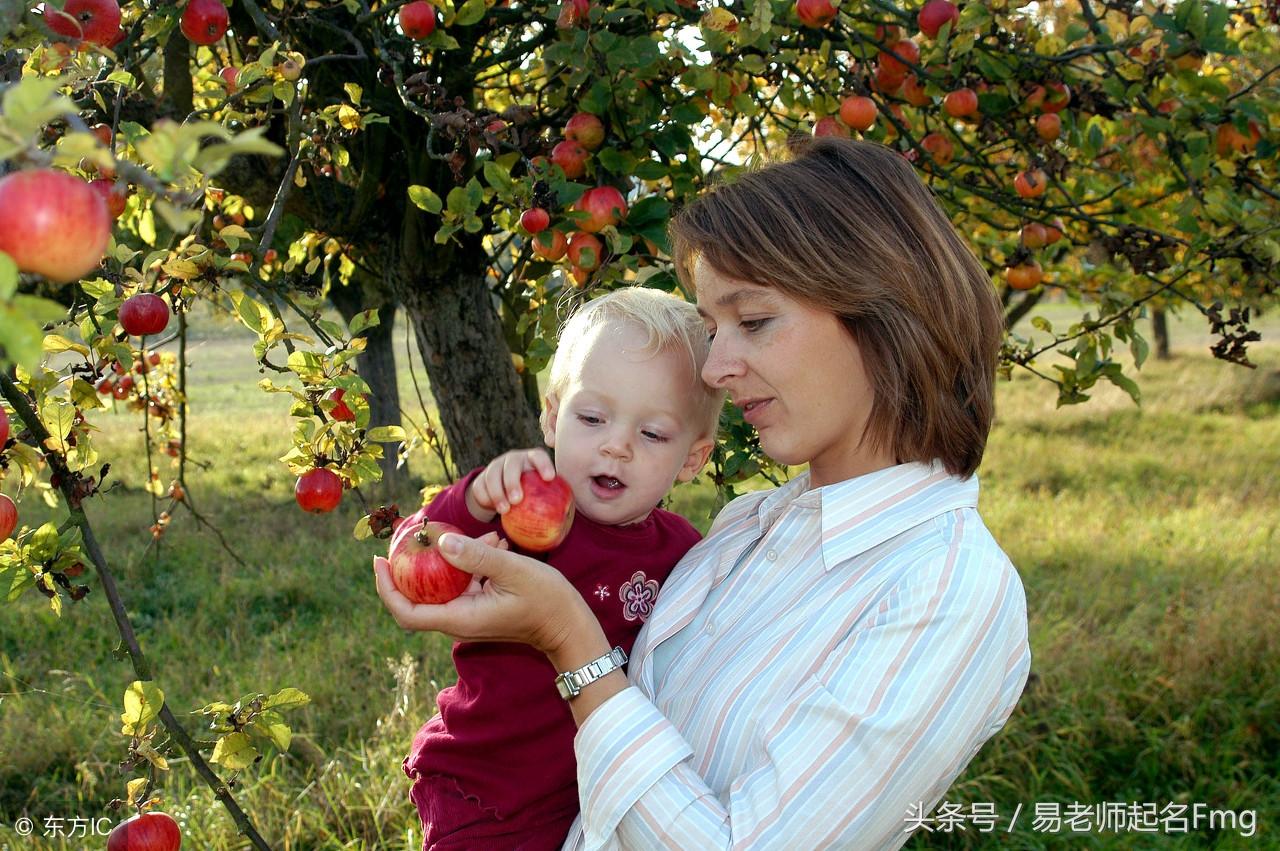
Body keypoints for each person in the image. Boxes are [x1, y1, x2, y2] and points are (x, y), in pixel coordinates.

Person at [375, 137, 1032, 850]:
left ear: (882, 312)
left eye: (752, 322)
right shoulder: (751, 523)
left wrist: (569, 638)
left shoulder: (946, 589)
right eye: (715, 329)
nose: (717, 367)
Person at [387, 286, 726, 849]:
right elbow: (423, 552)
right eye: (592, 417)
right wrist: (472, 500)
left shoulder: (684, 554)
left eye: (652, 433)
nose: (616, 445)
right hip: (485, 790)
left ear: (692, 457)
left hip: (590, 799)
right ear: (551, 417)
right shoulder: (518, 518)